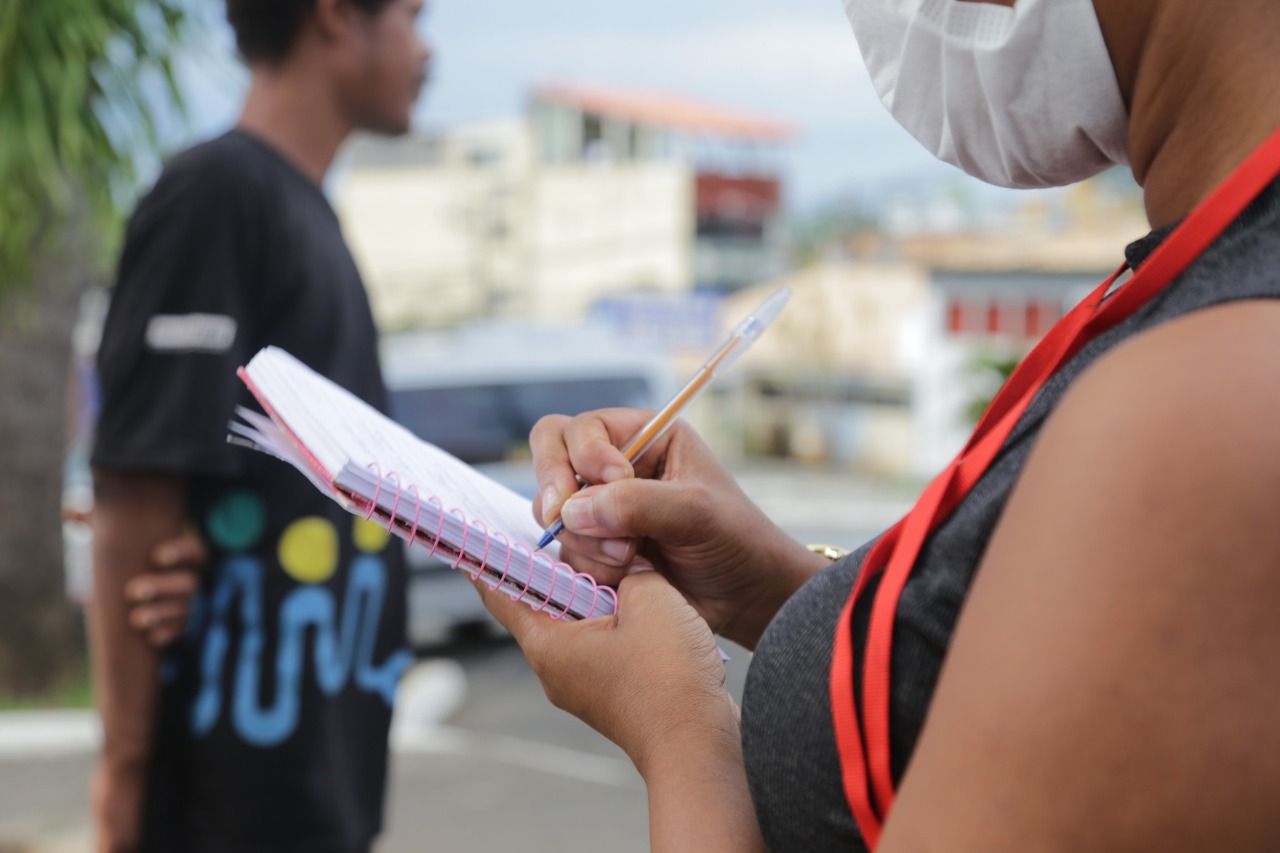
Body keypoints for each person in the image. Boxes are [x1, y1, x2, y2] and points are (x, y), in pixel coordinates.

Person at [471, 0, 1280, 850]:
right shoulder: (1208, 283)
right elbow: (1004, 688)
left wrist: (677, 729)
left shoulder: (1212, 400)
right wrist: (781, 591)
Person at [87, 2, 430, 851]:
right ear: (335, 17)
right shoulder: (216, 193)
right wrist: (122, 777)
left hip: (315, 791)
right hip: (224, 802)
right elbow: (135, 500)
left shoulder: (308, 211)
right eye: (414, 17)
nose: (427, 53)